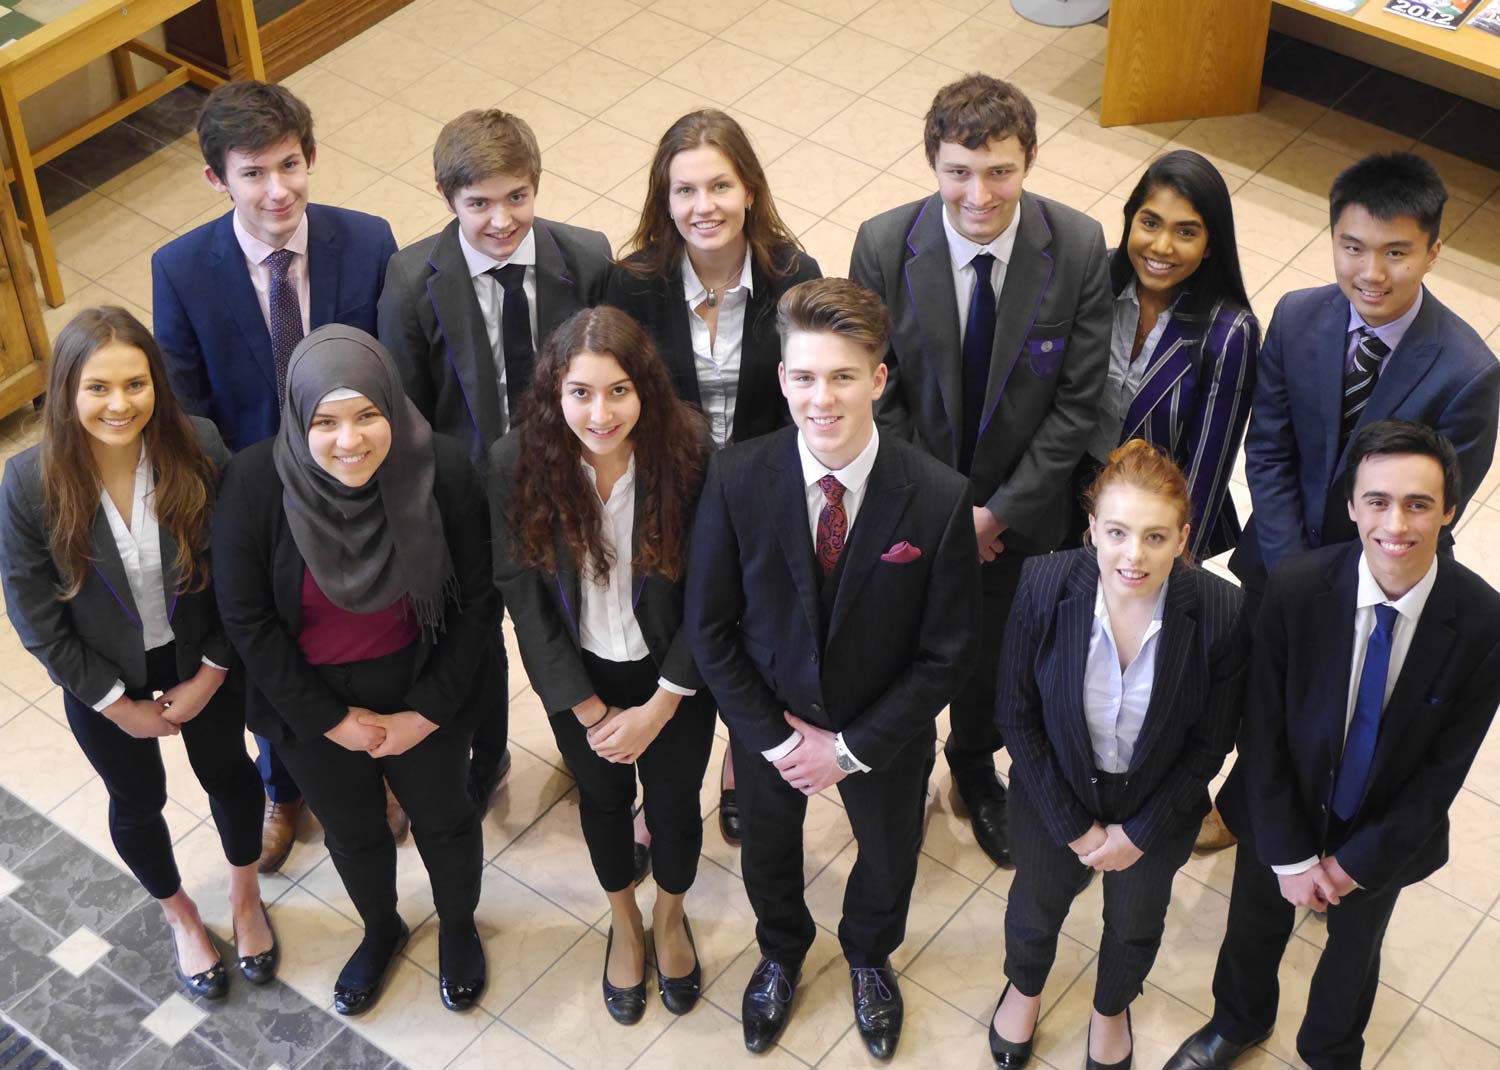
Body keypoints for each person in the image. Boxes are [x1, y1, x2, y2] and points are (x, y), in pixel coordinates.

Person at [687, 278, 981, 1060]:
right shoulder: (736, 477)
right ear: (782, 378)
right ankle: (781, 950)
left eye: (844, 376)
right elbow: (710, 628)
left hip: (880, 735)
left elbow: (947, 653)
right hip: (769, 725)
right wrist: (777, 743)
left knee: (888, 860)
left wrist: (848, 749)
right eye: (806, 376)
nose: (824, 398)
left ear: (878, 380)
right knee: (770, 852)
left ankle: (867, 955)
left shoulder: (939, 498)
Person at [1163, 420, 1500, 1070]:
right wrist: (1291, 857)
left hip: (1383, 831)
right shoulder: (1296, 588)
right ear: (1351, 506)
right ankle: (1236, 1022)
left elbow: (1440, 775)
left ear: (1450, 510)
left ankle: (1331, 1051)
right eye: (1377, 500)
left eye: (1418, 503)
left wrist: (1352, 866)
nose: (1395, 524)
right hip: (1284, 804)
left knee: (1355, 952)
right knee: (1254, 923)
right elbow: (1261, 731)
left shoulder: (1484, 624)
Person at [850, 73, 1111, 868]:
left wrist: (994, 517)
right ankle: (905, 767)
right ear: (932, 161)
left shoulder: (1076, 245)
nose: (979, 193)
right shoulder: (885, 244)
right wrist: (944, 512)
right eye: (959, 170)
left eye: (1000, 170)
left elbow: (1077, 402)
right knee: (902, 638)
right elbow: (873, 384)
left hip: (1020, 517)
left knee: (998, 651)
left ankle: (973, 763)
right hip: (910, 501)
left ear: (1030, 159)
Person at [211, 326, 497, 1015]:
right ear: (297, 418)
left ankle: (458, 925)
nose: (351, 440)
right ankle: (382, 926)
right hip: (311, 704)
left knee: (446, 819)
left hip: (423, 685)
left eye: (368, 414)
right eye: (326, 421)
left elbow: (479, 600)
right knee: (353, 830)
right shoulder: (253, 484)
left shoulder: (445, 468)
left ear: (393, 407)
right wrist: (330, 723)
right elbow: (247, 621)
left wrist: (425, 713)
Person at [152, 79, 401, 871]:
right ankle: (282, 786)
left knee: (371, 633)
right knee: (272, 651)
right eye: (252, 172)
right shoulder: (181, 268)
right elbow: (188, 407)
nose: (277, 189)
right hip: (251, 496)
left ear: (312, 157)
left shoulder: (367, 241)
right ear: (216, 179)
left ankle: (383, 767)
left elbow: (390, 374)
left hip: (362, 480)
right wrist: (254, 496)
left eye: (290, 164)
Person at [0, 308, 275, 1000]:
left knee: (230, 775)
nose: (120, 404)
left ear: (157, 384)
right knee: (136, 799)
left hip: (203, 661)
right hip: (104, 679)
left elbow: (236, 571)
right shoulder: (27, 484)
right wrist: (116, 706)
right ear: (66, 392)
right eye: (98, 388)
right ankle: (180, 915)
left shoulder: (201, 447)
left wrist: (213, 670)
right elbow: (34, 615)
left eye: (135, 383)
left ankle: (245, 899)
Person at [377, 109, 611, 814]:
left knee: (577, 622)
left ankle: (586, 744)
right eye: (478, 204)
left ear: (536, 187)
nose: (501, 220)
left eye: (517, 197)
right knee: (478, 639)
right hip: (469, 500)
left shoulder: (588, 257)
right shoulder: (412, 277)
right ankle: (489, 751)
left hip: (570, 488)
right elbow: (407, 408)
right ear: (448, 200)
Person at [987, 440, 1248, 1070]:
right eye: (1117, 533)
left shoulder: (1220, 610)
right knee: (1036, 903)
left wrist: (1141, 831)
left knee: (1135, 921)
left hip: (1156, 801)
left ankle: (1111, 1008)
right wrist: (1074, 827)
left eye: (1156, 537)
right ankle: (1025, 989)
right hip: (1056, 792)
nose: (1134, 556)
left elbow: (1210, 744)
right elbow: (1017, 718)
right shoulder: (1044, 584)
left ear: (1184, 539)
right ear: (1091, 531)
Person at [490, 306, 715, 1024]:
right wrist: (587, 709)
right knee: (604, 803)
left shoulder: (692, 453)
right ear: (554, 394)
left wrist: (661, 705)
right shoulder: (514, 462)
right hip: (580, 678)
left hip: (673, 677)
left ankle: (672, 916)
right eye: (580, 393)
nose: (600, 412)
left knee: (676, 807)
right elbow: (524, 598)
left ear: (645, 387)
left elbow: (715, 595)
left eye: (618, 390)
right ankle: (624, 920)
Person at [606, 108, 822, 845]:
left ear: (750, 190)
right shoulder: (629, 284)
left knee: (753, 637)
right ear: (664, 201)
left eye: (720, 186)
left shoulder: (796, 277)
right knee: (666, 634)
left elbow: (808, 402)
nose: (705, 208)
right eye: (685, 191)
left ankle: (739, 758)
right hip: (666, 499)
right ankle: (659, 786)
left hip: (763, 498)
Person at [1227, 152, 1499, 607]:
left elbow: (1431, 511)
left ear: (1432, 253)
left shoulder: (1469, 374)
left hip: (1383, 584)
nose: (1371, 274)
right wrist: (1291, 573)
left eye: (1395, 253)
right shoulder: (1296, 316)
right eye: (1353, 248)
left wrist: (1340, 595)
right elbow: (1269, 450)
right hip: (1274, 565)